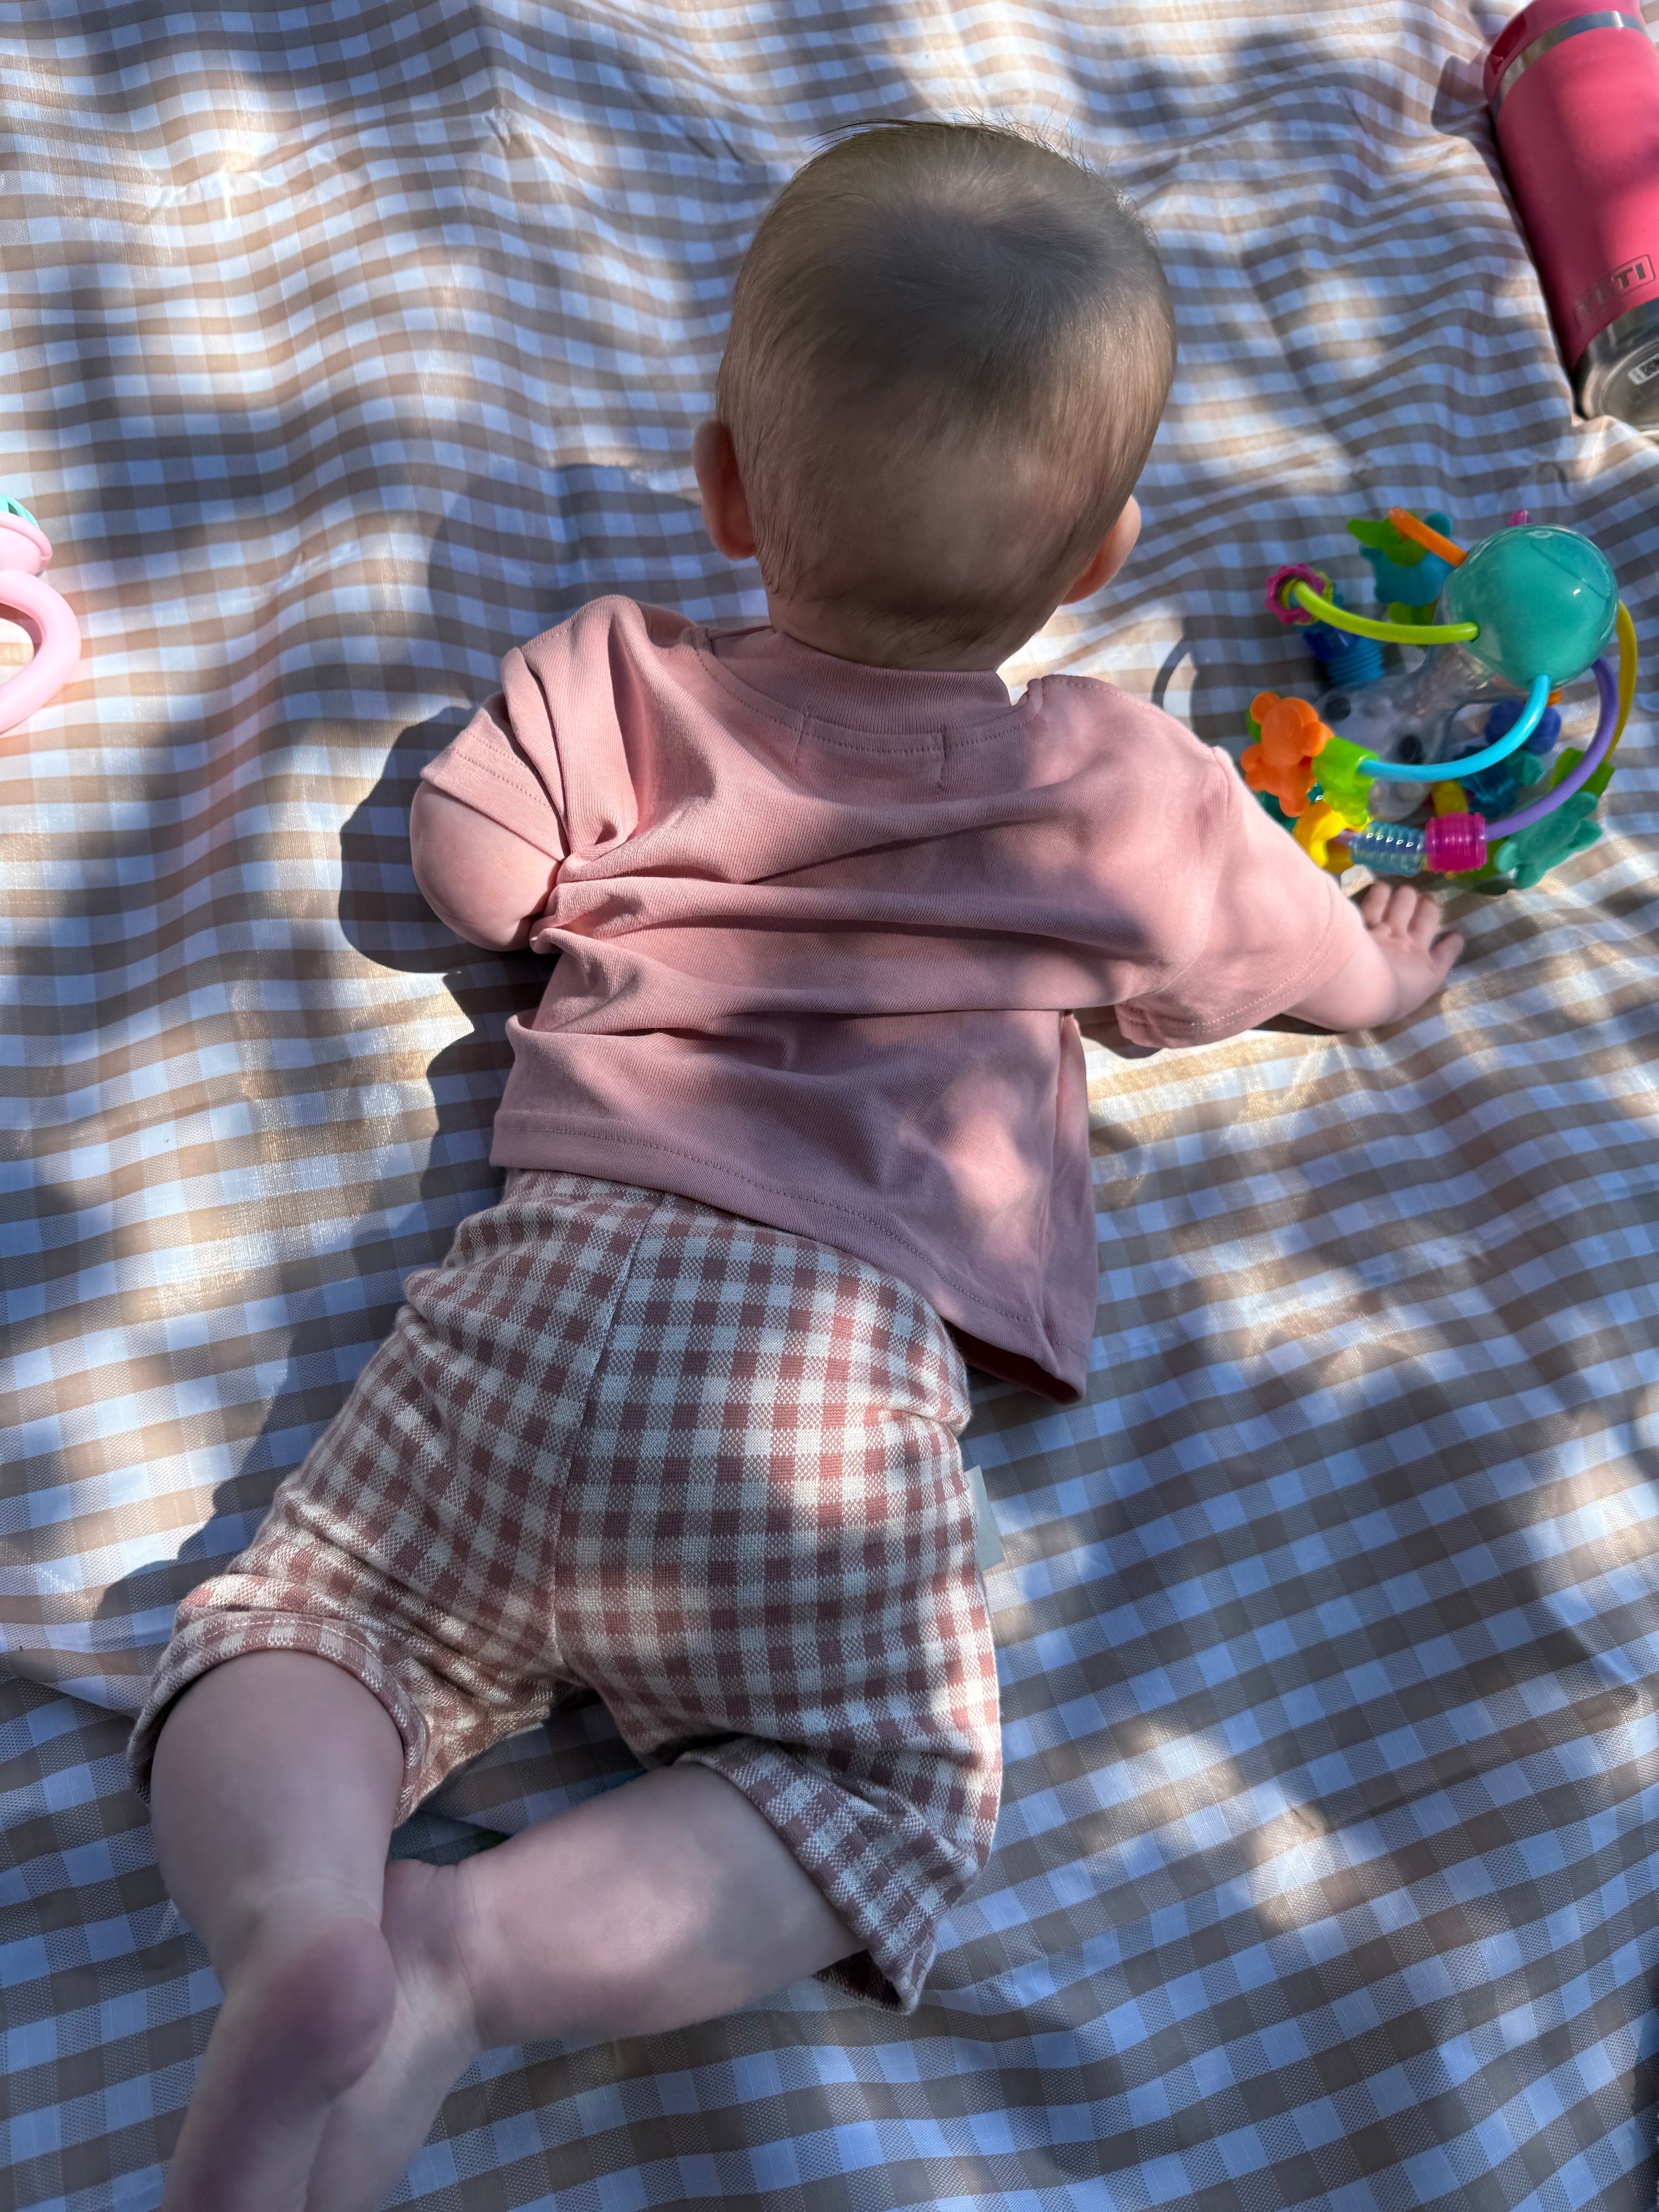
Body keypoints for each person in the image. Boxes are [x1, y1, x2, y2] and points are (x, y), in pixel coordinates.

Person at [129, 121, 1463, 2212]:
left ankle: (296, 1918)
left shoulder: (624, 676)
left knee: (310, 1620)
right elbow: (1275, 963)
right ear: (1100, 559)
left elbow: (469, 872)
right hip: (823, 1381)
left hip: (546, 1280)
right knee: (876, 1788)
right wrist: (1382, 976)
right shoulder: (1120, 786)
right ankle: (459, 1966)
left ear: (726, 490)